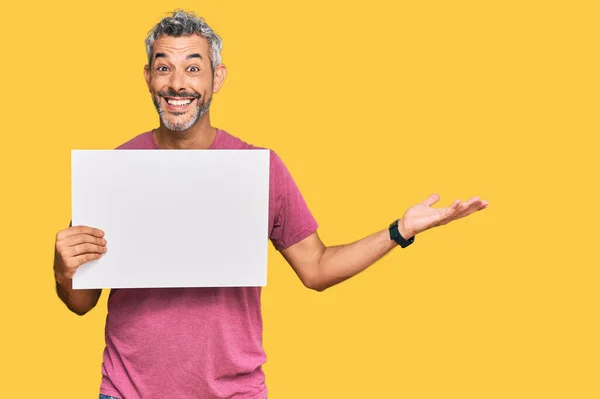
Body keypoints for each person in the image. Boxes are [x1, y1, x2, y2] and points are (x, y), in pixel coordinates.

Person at [53, 10, 488, 399]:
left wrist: (400, 230)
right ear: (148, 77)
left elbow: (316, 269)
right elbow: (81, 302)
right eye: (164, 68)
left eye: (193, 67)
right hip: (129, 392)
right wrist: (62, 268)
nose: (177, 83)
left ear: (217, 78)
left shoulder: (259, 168)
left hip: (235, 393)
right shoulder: (112, 172)